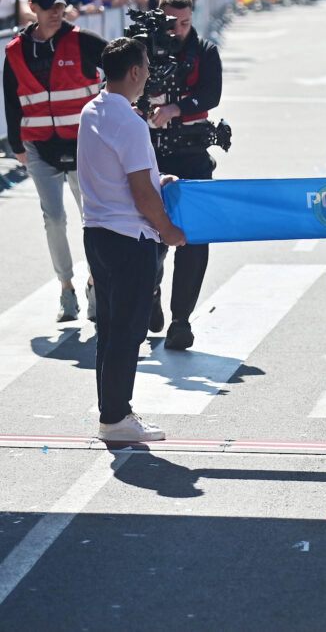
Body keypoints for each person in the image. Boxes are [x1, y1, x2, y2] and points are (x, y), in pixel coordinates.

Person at [78, 37, 186, 442]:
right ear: (136, 72)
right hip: (129, 238)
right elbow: (141, 193)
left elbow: (124, 176)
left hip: (99, 233)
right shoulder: (129, 120)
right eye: (145, 67)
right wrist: (169, 231)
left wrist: (159, 181)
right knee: (127, 331)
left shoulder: (92, 109)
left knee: (110, 330)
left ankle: (113, 411)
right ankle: (116, 417)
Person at [3, 0, 105, 321]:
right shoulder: (16, 50)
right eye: (49, 7)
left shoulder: (82, 40)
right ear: (33, 7)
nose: (56, 13)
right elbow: (12, 99)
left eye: (61, 6)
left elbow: (123, 66)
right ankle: (66, 289)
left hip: (82, 143)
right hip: (37, 146)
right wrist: (17, 145)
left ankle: (95, 282)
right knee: (55, 219)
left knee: (91, 220)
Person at [146, 0, 223, 350]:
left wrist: (177, 107)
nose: (177, 29)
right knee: (148, 234)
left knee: (193, 239)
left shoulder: (205, 51)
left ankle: (181, 320)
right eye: (170, 22)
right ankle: (150, 290)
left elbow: (211, 95)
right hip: (149, 157)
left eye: (185, 22)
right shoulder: (141, 49)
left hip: (191, 157)